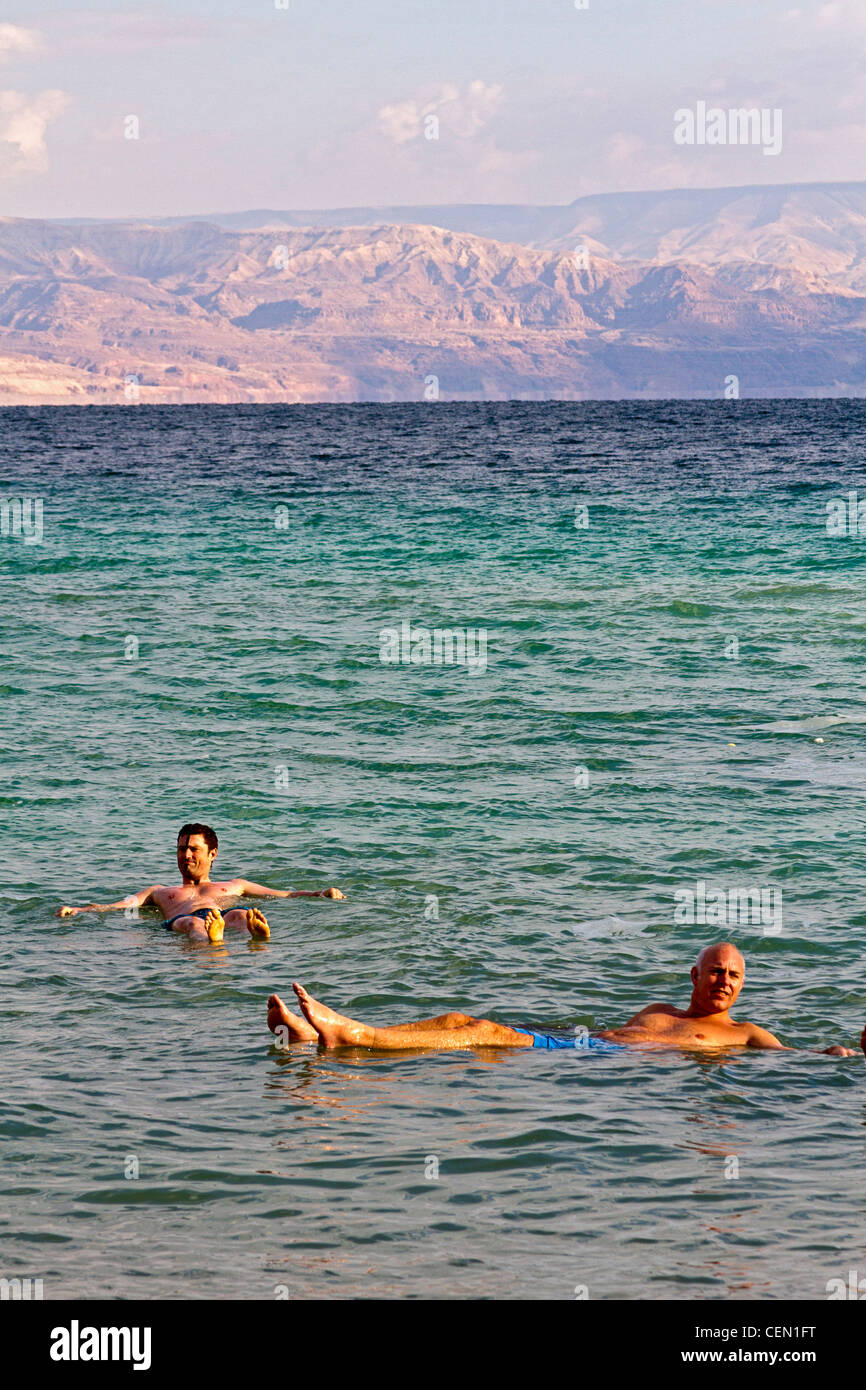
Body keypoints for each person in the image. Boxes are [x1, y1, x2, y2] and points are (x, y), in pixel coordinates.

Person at [266, 942, 857, 1054]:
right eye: (714, 972)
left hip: (590, 1064)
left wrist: (850, 1053)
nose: (724, 981)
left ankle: (353, 1034)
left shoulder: (748, 1036)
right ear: (694, 975)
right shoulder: (662, 1011)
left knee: (486, 1032)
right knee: (458, 1019)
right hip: (581, 1048)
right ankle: (312, 1033)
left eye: (733, 976)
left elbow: (802, 1059)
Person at [57, 823, 345, 940]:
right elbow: (119, 906)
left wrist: (320, 893)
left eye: (194, 849)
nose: (187, 855)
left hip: (218, 915)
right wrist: (80, 910)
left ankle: (254, 934)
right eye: (182, 848)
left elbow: (283, 894)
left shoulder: (234, 885)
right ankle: (214, 942)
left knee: (241, 914)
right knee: (192, 923)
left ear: (212, 854)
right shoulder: (160, 891)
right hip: (181, 920)